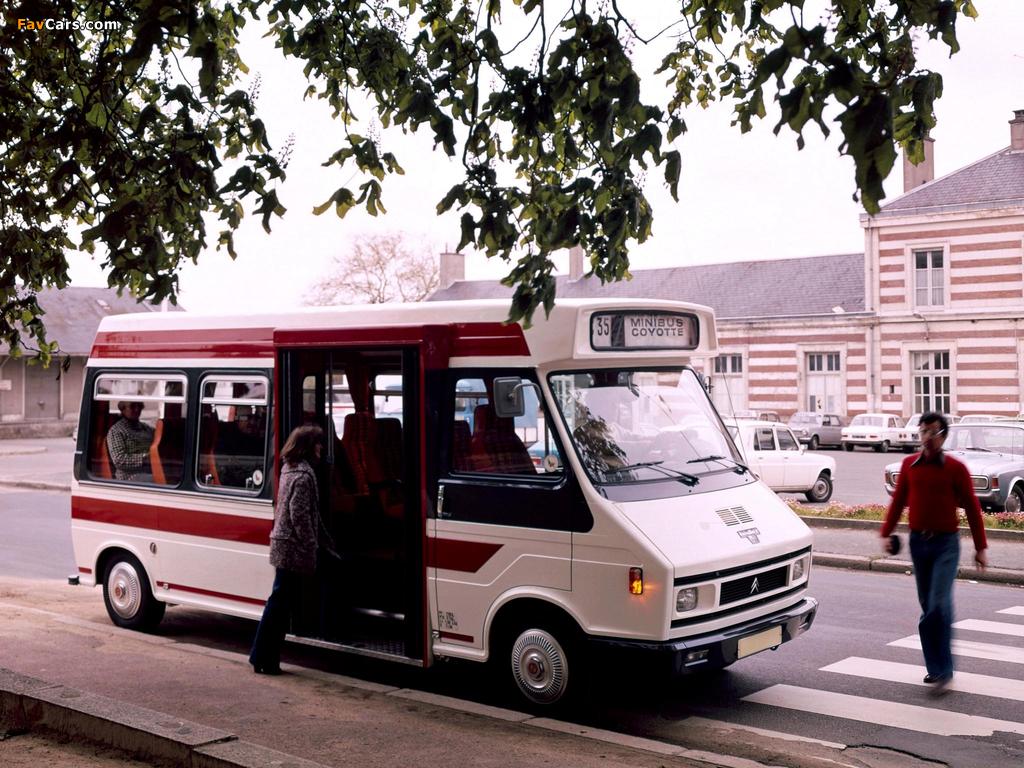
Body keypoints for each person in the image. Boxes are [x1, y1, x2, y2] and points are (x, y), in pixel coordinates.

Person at [880, 411, 988, 695]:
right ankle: (935, 668)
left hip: (946, 545)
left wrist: (981, 548)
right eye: (923, 431)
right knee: (928, 607)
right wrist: (886, 532)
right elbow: (898, 501)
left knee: (939, 605)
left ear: (943, 436)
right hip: (919, 544)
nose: (926, 437)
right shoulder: (909, 465)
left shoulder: (955, 468)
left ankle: (945, 670)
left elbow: (974, 510)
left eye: (933, 432)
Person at [249, 425, 325, 675]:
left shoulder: (289, 469)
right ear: (308, 447)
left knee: (278, 604)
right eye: (317, 444)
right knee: (280, 607)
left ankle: (262, 657)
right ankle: (264, 658)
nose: (321, 449)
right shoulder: (303, 476)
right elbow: (300, 515)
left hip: (284, 544)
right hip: (293, 548)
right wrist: (311, 543)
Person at [106, 401, 154, 481]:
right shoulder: (116, 431)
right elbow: (119, 460)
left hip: (150, 470)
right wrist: (146, 459)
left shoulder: (145, 428)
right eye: (132, 406)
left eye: (139, 406)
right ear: (123, 409)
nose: (137, 409)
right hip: (129, 476)